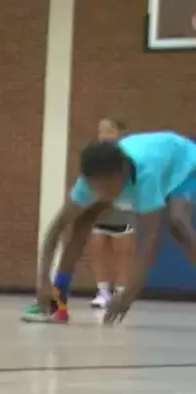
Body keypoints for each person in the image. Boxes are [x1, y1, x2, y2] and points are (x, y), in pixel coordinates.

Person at [23, 131, 196, 324]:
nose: (102, 193)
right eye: (96, 188)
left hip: (184, 163)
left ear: (122, 173)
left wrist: (128, 295)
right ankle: (58, 300)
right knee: (81, 223)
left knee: (178, 224)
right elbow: (56, 229)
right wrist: (44, 280)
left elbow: (151, 241)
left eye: (108, 187)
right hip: (148, 160)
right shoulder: (88, 183)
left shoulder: (146, 176)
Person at [88, 117, 136, 309]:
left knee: (122, 251)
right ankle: (103, 291)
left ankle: (121, 292)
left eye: (108, 130)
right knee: (98, 247)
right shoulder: (95, 155)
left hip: (123, 207)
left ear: (118, 132)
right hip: (102, 207)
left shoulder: (128, 154)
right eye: (100, 131)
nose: (103, 135)